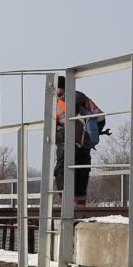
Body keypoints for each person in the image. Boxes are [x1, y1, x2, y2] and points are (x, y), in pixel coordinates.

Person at [54, 76, 106, 206]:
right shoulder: (83, 98)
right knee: (81, 178)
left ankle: (67, 211)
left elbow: (51, 129)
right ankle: (81, 212)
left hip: (66, 148)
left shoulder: (56, 104)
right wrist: (88, 136)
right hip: (85, 147)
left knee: (62, 176)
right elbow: (100, 118)